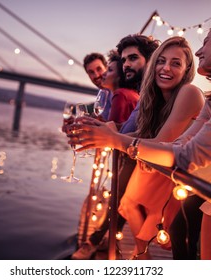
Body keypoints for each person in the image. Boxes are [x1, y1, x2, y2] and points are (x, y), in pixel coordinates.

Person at [69, 20, 211, 259]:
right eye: (161, 61)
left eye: (206, 42)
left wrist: (116, 140)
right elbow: (180, 147)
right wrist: (107, 136)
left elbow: (190, 156)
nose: (199, 51)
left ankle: (141, 255)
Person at [71, 34, 159, 260]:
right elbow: (121, 125)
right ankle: (129, 251)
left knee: (125, 203)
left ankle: (103, 243)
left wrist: (104, 132)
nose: (98, 76)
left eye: (105, 69)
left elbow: (125, 131)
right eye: (124, 60)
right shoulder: (133, 93)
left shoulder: (123, 94)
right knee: (126, 204)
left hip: (137, 157)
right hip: (133, 153)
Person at [118, 36, 204, 259]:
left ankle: (143, 255)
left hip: (194, 178)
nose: (165, 68)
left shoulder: (190, 93)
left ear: (186, 71)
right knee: (128, 203)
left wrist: (110, 138)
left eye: (176, 63)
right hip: (167, 166)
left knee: (181, 241)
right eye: (161, 61)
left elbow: (160, 143)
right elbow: (145, 136)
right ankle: (142, 256)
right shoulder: (157, 98)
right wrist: (105, 132)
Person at [102, 50, 139, 123]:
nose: (103, 73)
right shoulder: (131, 93)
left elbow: (111, 131)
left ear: (120, 76)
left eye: (109, 70)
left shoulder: (120, 94)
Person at [83, 52, 112, 120]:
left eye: (99, 69)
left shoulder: (116, 91)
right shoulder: (101, 92)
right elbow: (101, 119)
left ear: (106, 68)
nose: (96, 75)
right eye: (91, 72)